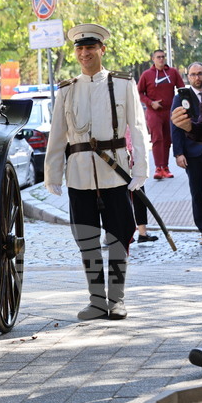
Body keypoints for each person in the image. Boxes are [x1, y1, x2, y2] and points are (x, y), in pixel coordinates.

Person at [43, 23, 148, 321]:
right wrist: (52, 174)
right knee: (86, 237)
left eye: (90, 47)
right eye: (80, 48)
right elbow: (57, 135)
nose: (85, 53)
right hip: (78, 176)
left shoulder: (123, 84)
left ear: (102, 49)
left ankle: (116, 300)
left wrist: (140, 170)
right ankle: (96, 300)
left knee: (119, 235)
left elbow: (137, 129)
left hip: (114, 174)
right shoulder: (67, 90)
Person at [171, 62, 202, 245]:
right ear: (188, 77)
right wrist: (178, 153)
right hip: (192, 153)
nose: (198, 78)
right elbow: (175, 127)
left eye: (201, 74)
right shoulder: (180, 98)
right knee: (197, 193)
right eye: (194, 74)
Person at [137, 49, 184, 179]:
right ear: (153, 59)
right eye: (158, 57)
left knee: (168, 140)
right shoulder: (147, 74)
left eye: (163, 57)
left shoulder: (173, 72)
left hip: (170, 111)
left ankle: (166, 167)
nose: (161, 59)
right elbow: (139, 93)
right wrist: (151, 103)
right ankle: (158, 168)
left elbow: (182, 89)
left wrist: (182, 105)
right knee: (157, 138)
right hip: (153, 112)